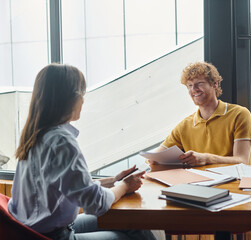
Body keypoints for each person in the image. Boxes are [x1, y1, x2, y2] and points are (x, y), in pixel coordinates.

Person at [8, 63, 157, 240]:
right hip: (55, 236)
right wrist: (124, 186)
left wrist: (114, 181)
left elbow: (72, 185)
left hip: (30, 231)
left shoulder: (36, 135)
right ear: (69, 98)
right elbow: (96, 203)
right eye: (82, 94)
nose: (83, 101)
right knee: (135, 234)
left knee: (134, 223)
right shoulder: (61, 142)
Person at [152, 62, 251, 167]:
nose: (194, 89)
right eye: (190, 85)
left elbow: (242, 160)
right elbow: (155, 157)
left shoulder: (239, 114)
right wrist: (153, 160)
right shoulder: (184, 126)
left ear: (214, 84)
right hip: (198, 182)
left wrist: (206, 158)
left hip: (233, 182)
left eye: (199, 83)